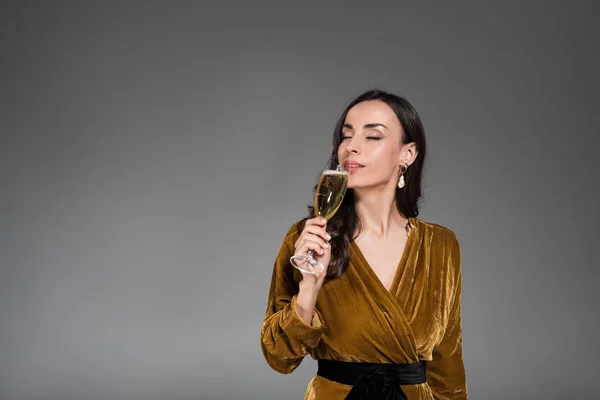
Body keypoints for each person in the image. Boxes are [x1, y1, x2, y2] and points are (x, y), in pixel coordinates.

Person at [260, 89, 468, 399]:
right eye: (346, 136)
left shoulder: (441, 245)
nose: (351, 147)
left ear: (407, 154)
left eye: (373, 137)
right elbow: (279, 357)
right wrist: (309, 288)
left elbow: (448, 366)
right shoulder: (307, 240)